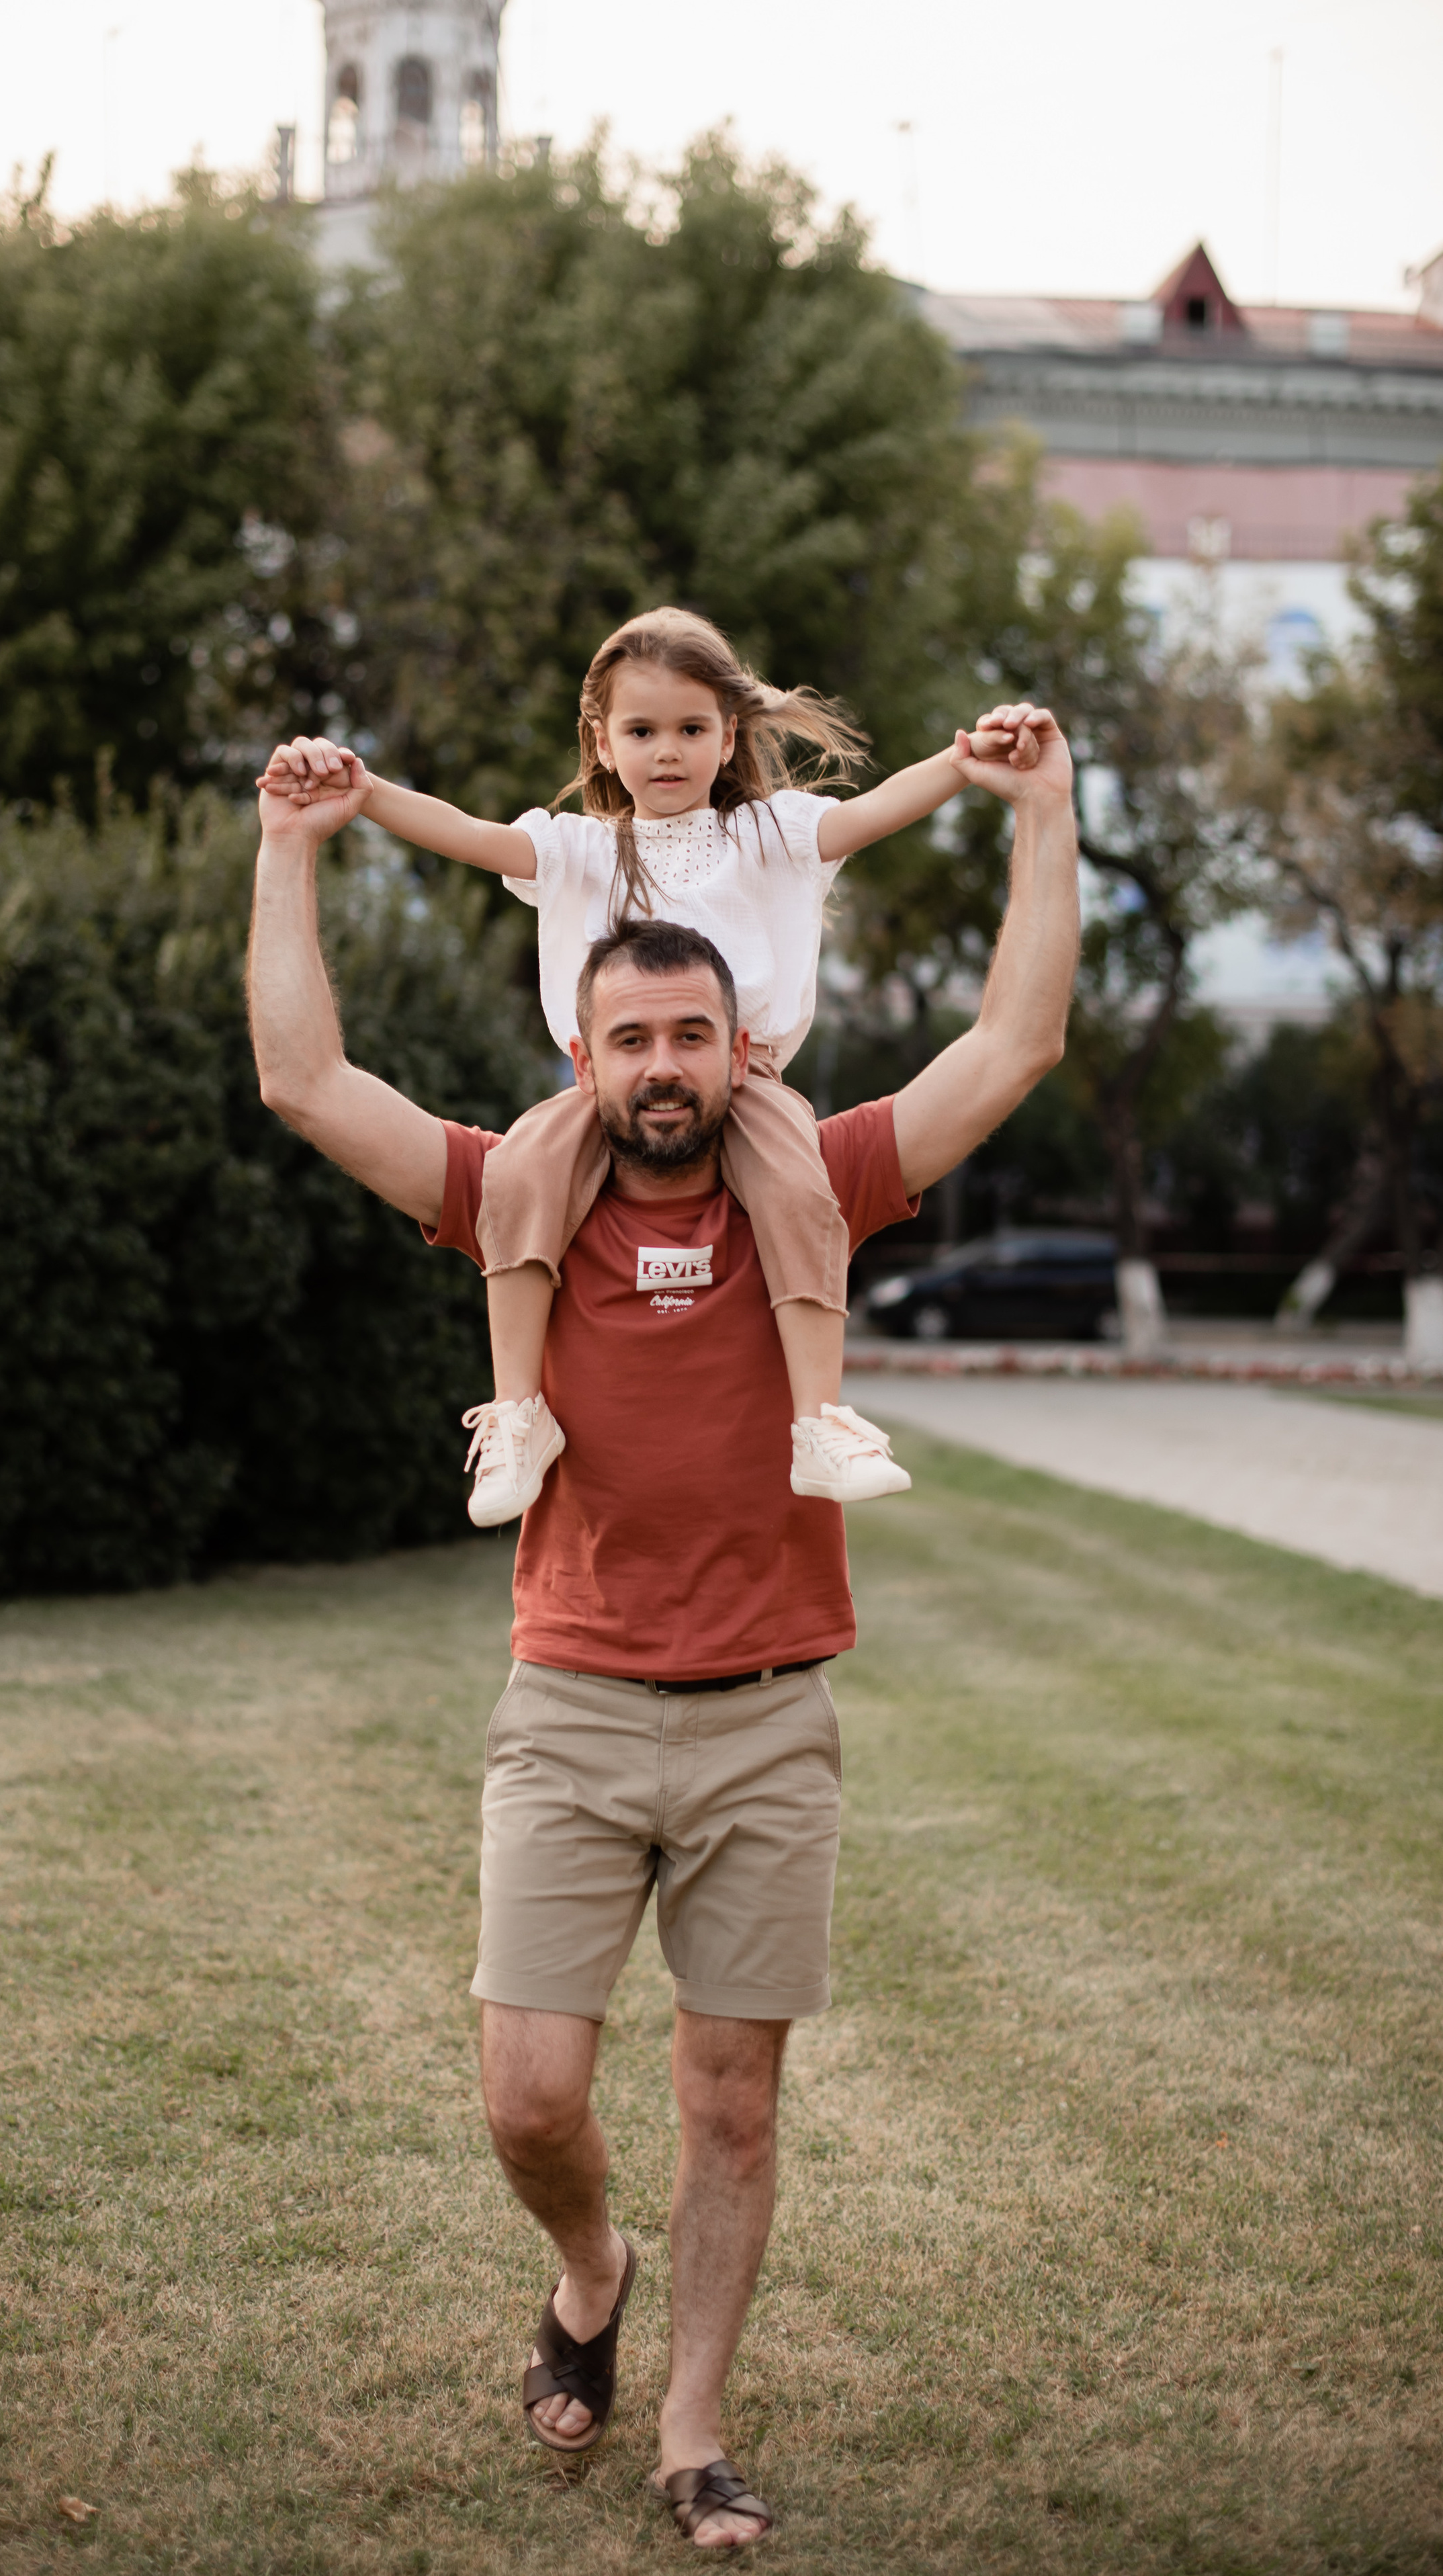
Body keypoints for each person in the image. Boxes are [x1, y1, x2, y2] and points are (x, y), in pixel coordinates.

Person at [247, 703, 1078, 2550]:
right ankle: (588, 2265)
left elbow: (1016, 1041)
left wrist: (1041, 813)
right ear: (585, 1051)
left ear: (742, 1044)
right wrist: (291, 847)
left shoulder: (826, 1176)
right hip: (572, 1701)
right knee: (532, 2096)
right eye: (632, 1039)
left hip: (771, 1712)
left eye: (693, 1034)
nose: (665, 1066)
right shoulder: (514, 1193)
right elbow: (311, 1085)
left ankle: (693, 2426)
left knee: (731, 2103)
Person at [258, 607, 1030, 1529]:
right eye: (642, 731)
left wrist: (965, 763)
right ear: (603, 740)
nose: (668, 752)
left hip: (751, 1088)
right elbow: (464, 833)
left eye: (692, 729)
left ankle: (821, 1419)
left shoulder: (771, 836)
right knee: (518, 1178)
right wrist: (364, 791)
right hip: (600, 1095)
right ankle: (515, 1412)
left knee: (798, 1190)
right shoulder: (578, 849)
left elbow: (874, 810)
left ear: (729, 733)